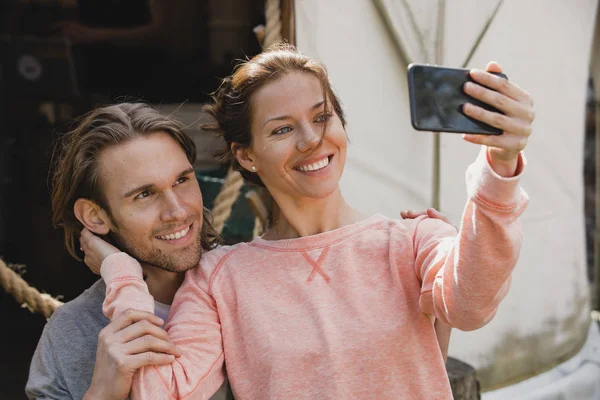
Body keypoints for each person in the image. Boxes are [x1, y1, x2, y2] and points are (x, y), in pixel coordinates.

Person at [82, 43, 534, 399]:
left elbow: (473, 305)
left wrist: (501, 165)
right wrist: (124, 277)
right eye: (282, 129)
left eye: (322, 117)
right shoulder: (218, 279)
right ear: (246, 155)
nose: (312, 140)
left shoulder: (415, 241)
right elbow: (165, 393)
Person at [25, 103, 231, 400]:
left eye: (182, 180)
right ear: (96, 216)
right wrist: (102, 392)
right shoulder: (70, 333)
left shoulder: (247, 280)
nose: (177, 210)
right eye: (145, 194)